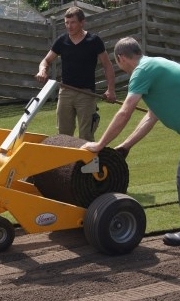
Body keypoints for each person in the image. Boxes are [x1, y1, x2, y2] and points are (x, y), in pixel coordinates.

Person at [81, 36, 180, 246]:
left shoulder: (142, 71)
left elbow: (125, 111)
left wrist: (99, 145)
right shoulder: (154, 67)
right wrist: (126, 145)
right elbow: (151, 117)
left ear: (120, 58)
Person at [35, 6, 116, 142]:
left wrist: (111, 90)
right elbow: (46, 60)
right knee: (63, 137)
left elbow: (107, 65)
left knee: (86, 137)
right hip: (65, 92)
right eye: (67, 23)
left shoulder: (94, 41)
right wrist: (42, 70)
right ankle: (66, 163)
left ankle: (86, 163)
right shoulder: (62, 41)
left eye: (72, 22)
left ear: (82, 22)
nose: (69, 26)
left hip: (86, 94)